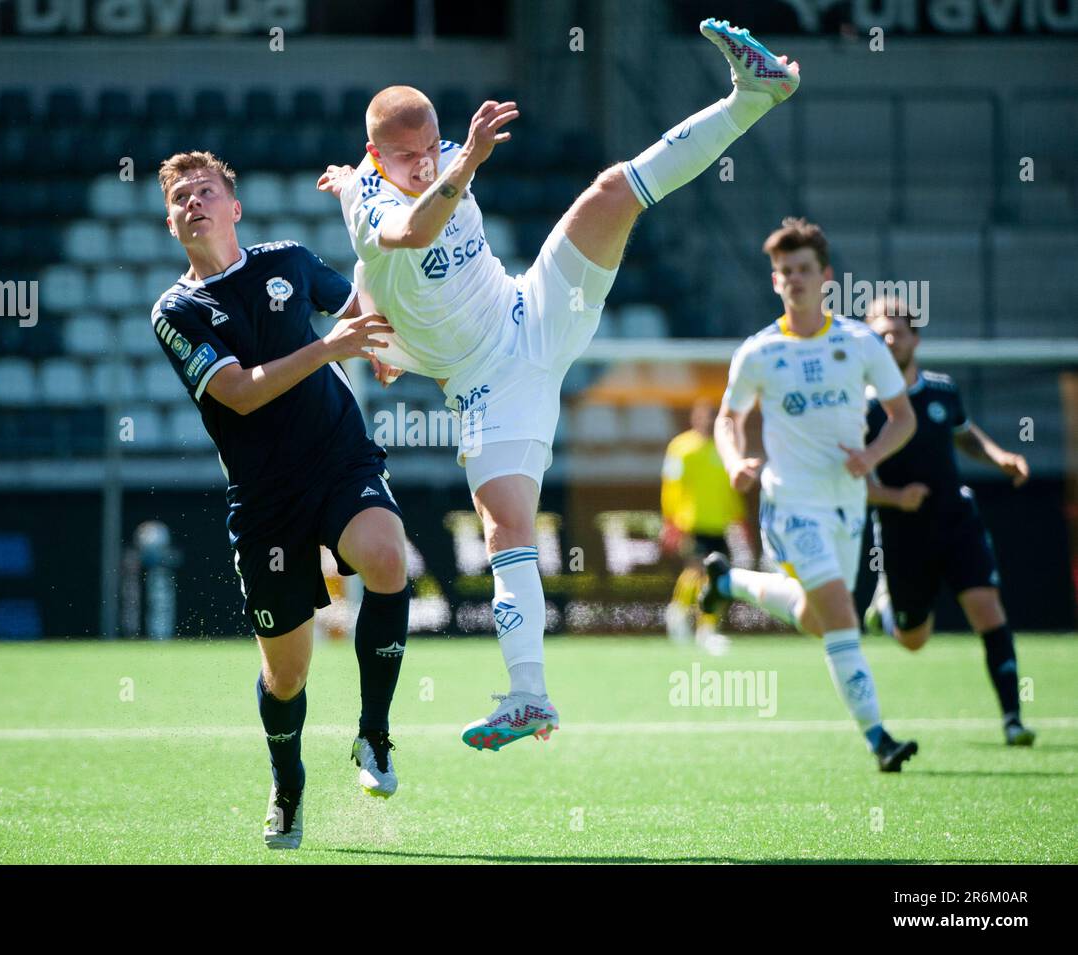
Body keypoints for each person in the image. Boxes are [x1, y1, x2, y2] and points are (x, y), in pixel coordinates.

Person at [317, 19, 801, 750]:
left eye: (431, 148)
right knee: (508, 527)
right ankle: (529, 696)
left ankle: (752, 96)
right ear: (372, 155)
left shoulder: (447, 157)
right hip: (488, 387)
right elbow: (413, 233)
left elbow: (381, 301)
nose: (423, 164)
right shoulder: (370, 204)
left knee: (613, 191)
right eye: (404, 157)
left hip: (532, 310)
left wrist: (389, 338)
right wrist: (466, 162)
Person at [151, 151, 410, 849]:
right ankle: (288, 782)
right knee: (287, 672)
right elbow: (239, 391)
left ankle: (374, 735)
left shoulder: (289, 261)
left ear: (234, 207)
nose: (194, 202)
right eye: (181, 198)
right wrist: (333, 347)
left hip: (337, 456)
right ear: (172, 222)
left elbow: (351, 301)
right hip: (265, 502)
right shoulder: (176, 311)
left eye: (206, 191)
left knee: (388, 559)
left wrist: (376, 331)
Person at [699, 218, 920, 771]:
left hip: (846, 505)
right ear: (775, 283)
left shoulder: (860, 343)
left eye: (803, 270)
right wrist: (735, 461)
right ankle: (879, 738)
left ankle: (729, 581)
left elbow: (903, 418)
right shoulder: (759, 352)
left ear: (826, 277)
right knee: (841, 616)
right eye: (783, 272)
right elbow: (730, 417)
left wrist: (870, 459)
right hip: (790, 504)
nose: (793, 279)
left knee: (819, 617)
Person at [863, 299, 1036, 746]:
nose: (889, 340)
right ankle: (886, 612)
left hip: (956, 520)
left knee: (987, 609)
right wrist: (895, 498)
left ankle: (1013, 719)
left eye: (897, 332)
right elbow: (849, 482)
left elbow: (964, 434)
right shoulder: (860, 408)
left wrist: (1000, 457)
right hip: (902, 533)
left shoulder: (942, 390)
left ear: (915, 338)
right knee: (914, 640)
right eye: (880, 334)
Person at [660, 399, 744, 654]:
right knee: (696, 570)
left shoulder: (724, 449)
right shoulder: (681, 447)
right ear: (694, 418)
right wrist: (671, 521)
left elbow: (731, 489)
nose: (707, 422)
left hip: (717, 524)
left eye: (712, 417)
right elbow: (671, 486)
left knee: (716, 578)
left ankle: (706, 630)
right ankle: (677, 612)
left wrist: (738, 517)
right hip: (690, 522)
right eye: (704, 416)